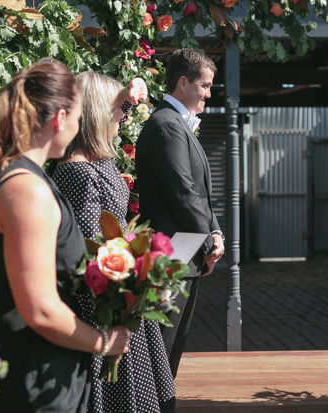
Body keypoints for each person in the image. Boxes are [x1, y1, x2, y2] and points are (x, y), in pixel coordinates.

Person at [0, 58, 130, 412]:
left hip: (30, 372)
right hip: (34, 380)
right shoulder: (25, 190)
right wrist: (103, 342)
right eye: (79, 116)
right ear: (60, 118)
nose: (81, 125)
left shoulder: (13, 176)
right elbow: (40, 310)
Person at [50, 72, 176, 413]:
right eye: (119, 107)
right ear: (96, 112)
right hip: (105, 308)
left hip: (123, 295)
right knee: (120, 400)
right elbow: (92, 250)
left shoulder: (100, 160)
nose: (124, 114)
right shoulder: (76, 172)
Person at [135, 48, 225, 378]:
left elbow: (197, 193)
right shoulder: (166, 126)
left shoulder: (175, 124)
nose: (209, 93)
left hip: (185, 250)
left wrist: (215, 233)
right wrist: (208, 244)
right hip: (172, 254)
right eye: (205, 85)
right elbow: (183, 194)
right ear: (183, 82)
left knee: (171, 350)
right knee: (162, 351)